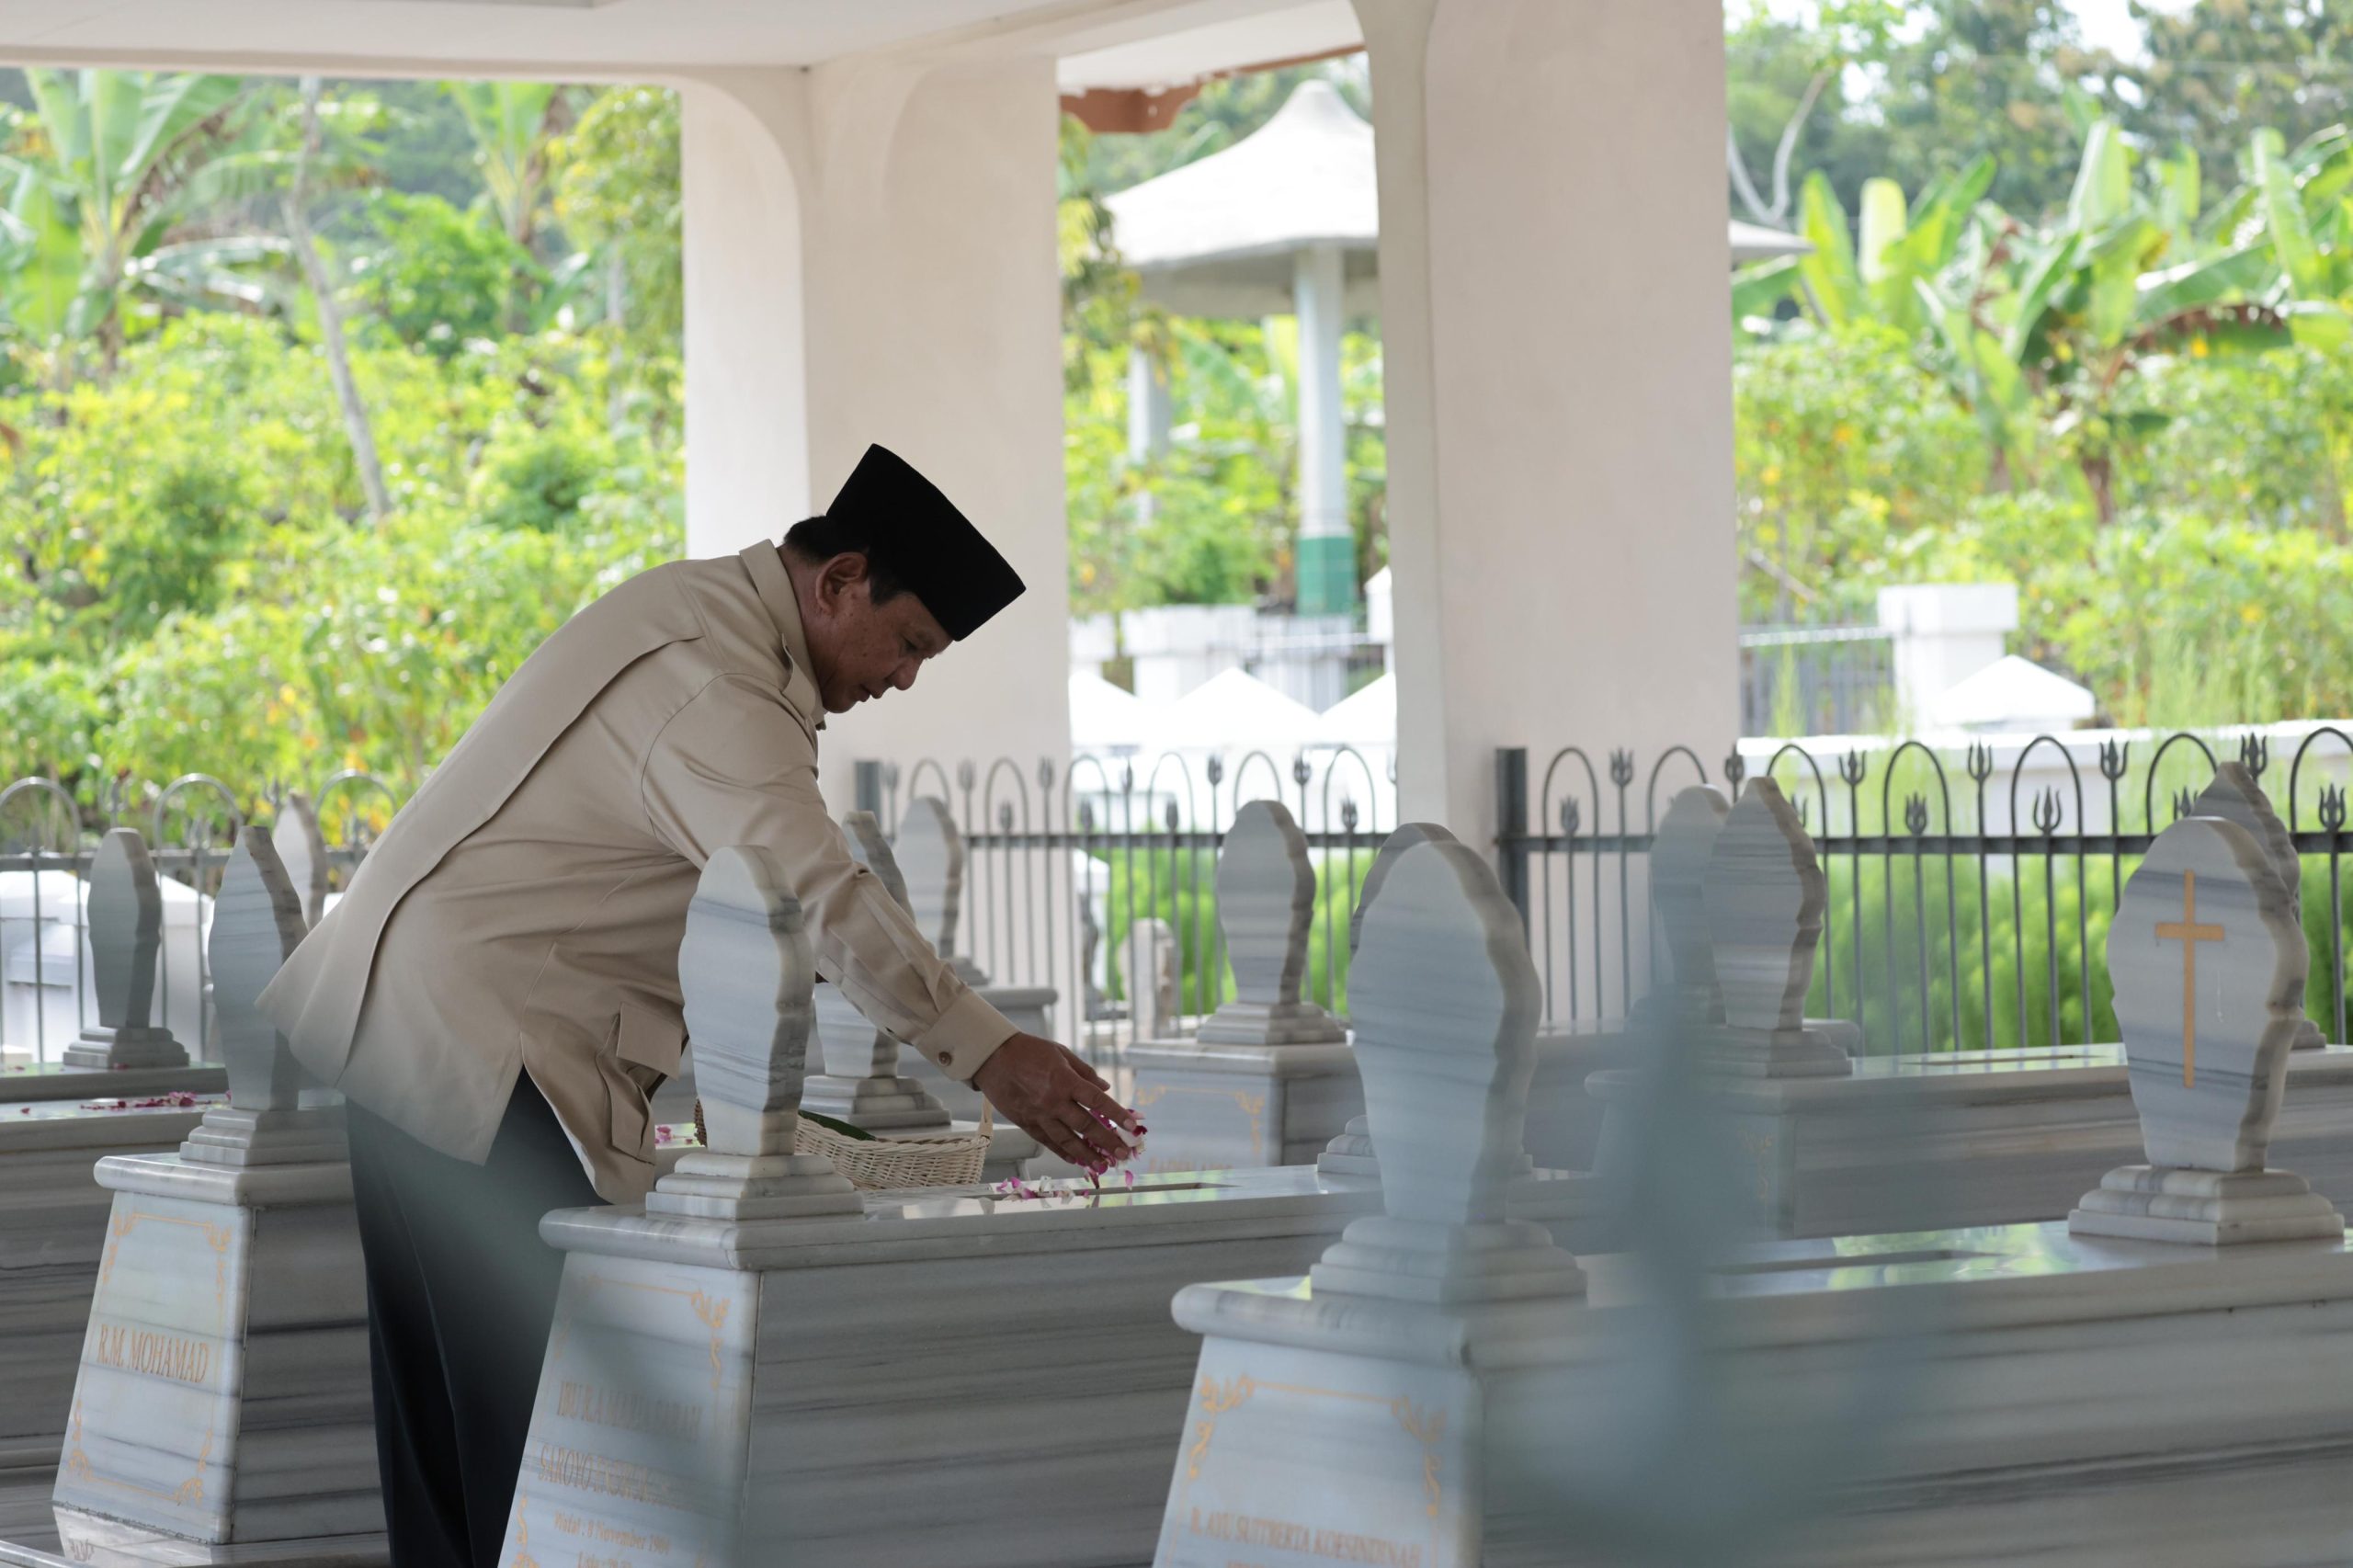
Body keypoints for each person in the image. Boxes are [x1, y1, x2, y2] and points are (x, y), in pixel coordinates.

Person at [259, 443, 1141, 1568]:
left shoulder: (700, 611)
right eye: (910, 641)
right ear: (838, 580)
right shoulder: (718, 681)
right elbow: (812, 888)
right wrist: (988, 1050)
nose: (906, 677)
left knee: (449, 1422)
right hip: (486, 1051)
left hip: (411, 1022)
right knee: (537, 1416)